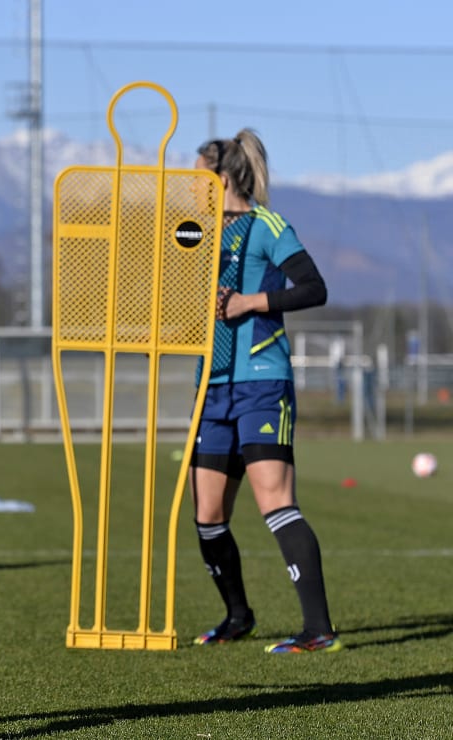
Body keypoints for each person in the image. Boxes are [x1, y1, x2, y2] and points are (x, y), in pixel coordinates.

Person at [188, 129, 338, 653]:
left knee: (274, 500)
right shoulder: (196, 231)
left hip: (261, 382)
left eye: (197, 176)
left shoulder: (268, 225)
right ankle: (238, 617)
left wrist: (249, 302)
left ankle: (318, 631)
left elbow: (313, 287)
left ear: (222, 178)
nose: (190, 185)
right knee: (207, 514)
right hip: (211, 387)